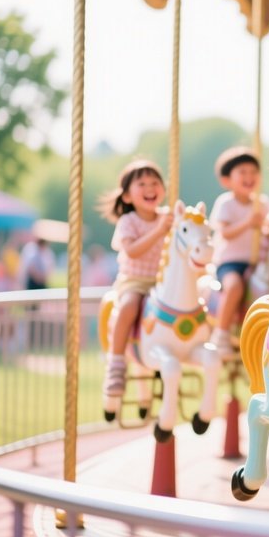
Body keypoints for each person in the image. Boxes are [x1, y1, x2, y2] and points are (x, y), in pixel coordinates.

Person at [98, 159, 173, 401]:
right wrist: (159, 231)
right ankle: (116, 363)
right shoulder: (128, 221)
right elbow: (132, 251)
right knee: (129, 306)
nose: (150, 188)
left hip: (162, 282)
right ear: (127, 196)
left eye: (154, 183)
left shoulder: (168, 217)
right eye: (142, 184)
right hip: (135, 281)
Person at [208, 146, 269, 358]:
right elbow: (225, 233)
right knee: (234, 286)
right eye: (242, 172)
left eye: (253, 172)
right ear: (227, 180)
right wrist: (248, 222)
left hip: (257, 262)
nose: (249, 177)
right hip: (231, 262)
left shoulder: (262, 203)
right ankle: (221, 333)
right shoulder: (226, 203)